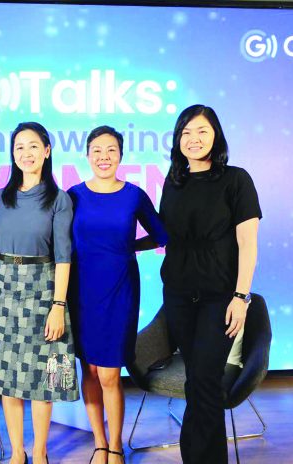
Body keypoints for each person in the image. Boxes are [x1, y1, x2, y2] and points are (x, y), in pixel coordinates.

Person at [0, 122, 79, 464]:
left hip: (44, 288)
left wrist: (58, 305)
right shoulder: (2, 197)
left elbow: (63, 256)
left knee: (44, 376)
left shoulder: (59, 199)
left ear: (47, 151)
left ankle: (40, 452)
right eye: (19, 147)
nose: (26, 153)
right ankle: (17, 452)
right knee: (6, 376)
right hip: (2, 287)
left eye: (33, 146)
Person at [159, 104, 261, 464]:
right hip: (178, 296)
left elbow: (248, 243)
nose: (193, 139)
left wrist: (241, 296)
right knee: (196, 382)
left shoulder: (236, 179)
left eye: (201, 131)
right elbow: (164, 236)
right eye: (185, 132)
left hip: (220, 297)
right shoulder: (174, 182)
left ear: (215, 135)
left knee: (203, 378)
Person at [67, 125, 167, 464]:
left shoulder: (134, 195)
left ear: (121, 155)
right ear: (87, 155)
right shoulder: (73, 195)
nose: (104, 156)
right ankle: (99, 443)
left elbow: (161, 235)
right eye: (97, 150)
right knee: (89, 371)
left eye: (111, 150)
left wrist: (129, 247)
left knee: (109, 372)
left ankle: (115, 445)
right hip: (80, 290)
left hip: (120, 290)